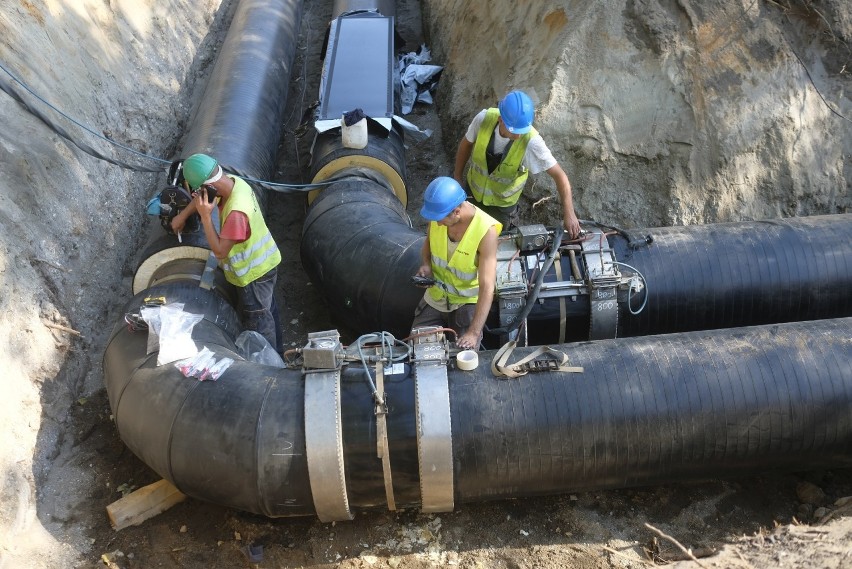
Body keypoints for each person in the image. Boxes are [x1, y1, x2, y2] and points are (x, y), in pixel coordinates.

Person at [170, 153, 284, 354]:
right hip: (267, 262)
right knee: (269, 310)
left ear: (209, 188)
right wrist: (183, 215)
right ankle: (280, 353)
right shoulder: (233, 183)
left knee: (259, 325)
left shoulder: (236, 214)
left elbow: (220, 251)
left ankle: (271, 368)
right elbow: (200, 197)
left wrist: (206, 217)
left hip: (253, 276)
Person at [453, 90, 581, 238]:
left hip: (502, 208)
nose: (519, 135)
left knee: (498, 245)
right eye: (515, 131)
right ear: (501, 119)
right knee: (467, 236)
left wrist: (569, 213)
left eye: (523, 130)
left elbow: (560, 175)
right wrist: (457, 176)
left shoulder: (531, 142)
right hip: (473, 194)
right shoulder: (483, 119)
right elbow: (466, 144)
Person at [411, 177, 501, 350]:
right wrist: (426, 265)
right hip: (437, 296)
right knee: (418, 349)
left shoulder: (485, 231)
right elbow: (428, 246)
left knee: (464, 356)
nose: (436, 223)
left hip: (466, 301)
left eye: (440, 219)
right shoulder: (440, 215)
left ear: (457, 211)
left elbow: (487, 286)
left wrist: (473, 333)